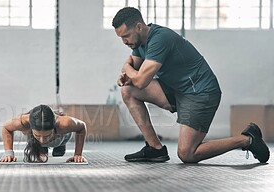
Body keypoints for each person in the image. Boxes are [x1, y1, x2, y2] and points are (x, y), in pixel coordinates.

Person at [112, 7, 270, 163]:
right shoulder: (138, 43)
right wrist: (128, 76)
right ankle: (155, 149)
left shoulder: (160, 38)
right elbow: (135, 71)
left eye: (126, 36)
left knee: (187, 154)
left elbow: (140, 80)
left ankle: (247, 139)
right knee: (128, 90)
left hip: (201, 93)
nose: (124, 41)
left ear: (139, 27)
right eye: (121, 37)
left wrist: (127, 69)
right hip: (176, 90)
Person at [0, 104, 87, 163]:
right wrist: (9, 154)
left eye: (47, 135)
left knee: (58, 153)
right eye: (38, 135)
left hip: (61, 138)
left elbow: (82, 127)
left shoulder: (65, 123)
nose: (42, 140)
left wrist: (78, 154)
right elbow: (6, 128)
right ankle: (41, 145)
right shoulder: (22, 122)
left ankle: (60, 146)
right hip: (35, 140)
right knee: (39, 154)